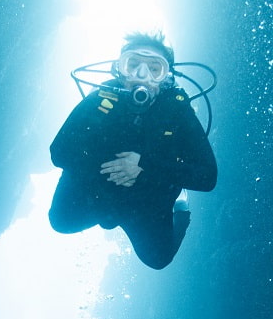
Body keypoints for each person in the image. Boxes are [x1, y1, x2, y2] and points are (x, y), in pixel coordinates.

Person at [48, 31, 217, 269]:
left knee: (158, 259)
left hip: (145, 199)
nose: (141, 76)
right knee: (61, 221)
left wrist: (144, 166)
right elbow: (59, 152)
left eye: (154, 69)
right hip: (100, 193)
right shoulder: (101, 100)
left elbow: (208, 177)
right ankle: (110, 210)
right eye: (133, 65)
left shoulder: (177, 110)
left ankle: (180, 209)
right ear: (119, 70)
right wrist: (106, 166)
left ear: (166, 76)